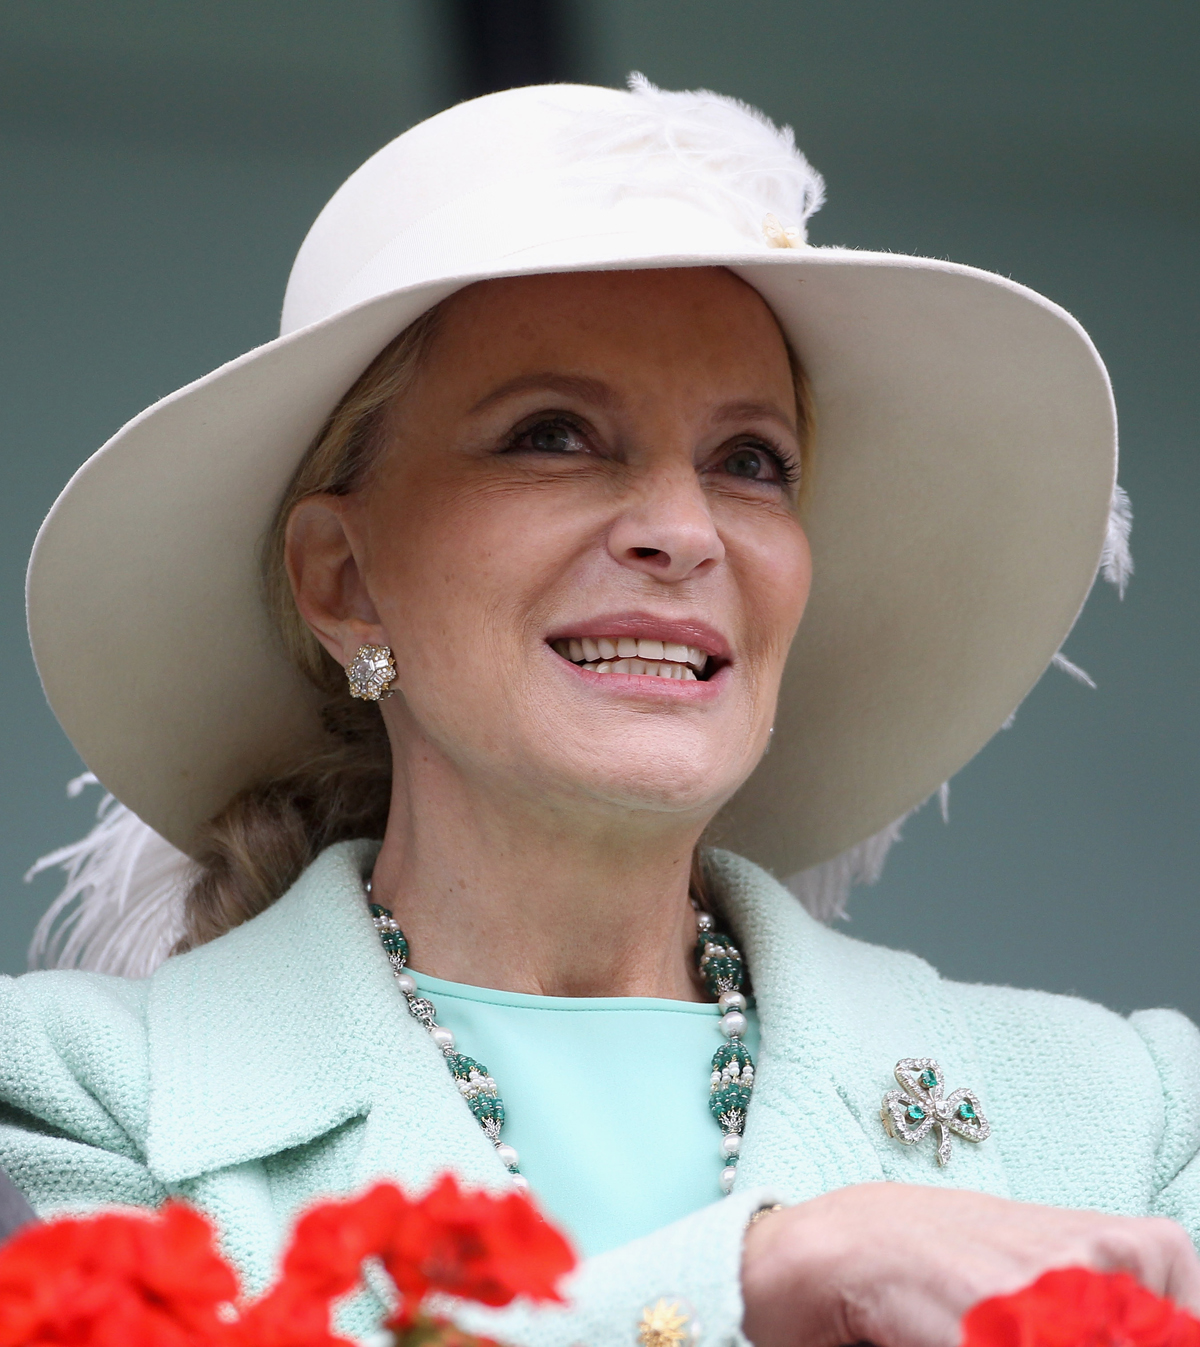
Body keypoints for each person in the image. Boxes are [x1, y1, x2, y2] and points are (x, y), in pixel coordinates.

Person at [2, 78, 1197, 1347]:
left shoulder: (1137, 1113)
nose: (682, 533)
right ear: (343, 583)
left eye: (751, 462)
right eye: (554, 435)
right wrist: (753, 1277)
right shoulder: (75, 1096)